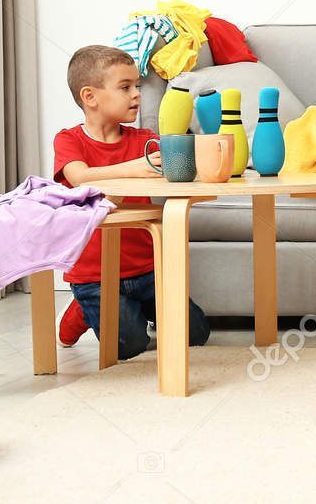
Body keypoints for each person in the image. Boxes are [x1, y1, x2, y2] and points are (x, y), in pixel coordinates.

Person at [53, 45, 211, 361]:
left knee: (196, 334)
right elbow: (81, 177)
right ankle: (82, 310)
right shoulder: (69, 140)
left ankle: (130, 309)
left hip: (147, 269)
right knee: (128, 347)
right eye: (125, 87)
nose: (136, 94)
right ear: (90, 97)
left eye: (137, 86)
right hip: (94, 276)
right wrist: (137, 168)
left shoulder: (144, 140)